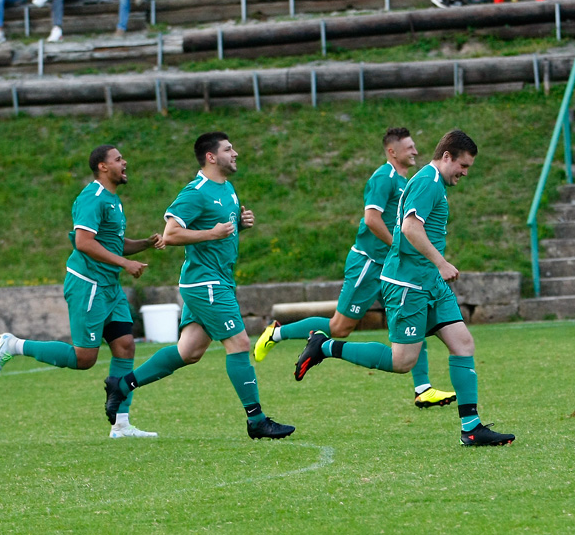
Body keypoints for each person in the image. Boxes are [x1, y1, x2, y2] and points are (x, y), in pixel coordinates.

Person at [294, 130, 515, 447]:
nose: (465, 173)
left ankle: (472, 427)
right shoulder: (427, 181)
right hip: (408, 285)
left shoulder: (433, 182)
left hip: (430, 283)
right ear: (447, 157)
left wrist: (435, 270)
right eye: (463, 166)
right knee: (402, 362)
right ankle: (324, 348)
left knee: (463, 343)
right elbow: (411, 227)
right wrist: (441, 262)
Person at [103, 132, 296, 441]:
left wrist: (239, 226)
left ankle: (123, 384)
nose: (235, 153)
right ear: (211, 157)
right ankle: (256, 420)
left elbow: (219, 232)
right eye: (228, 149)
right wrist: (213, 233)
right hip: (206, 283)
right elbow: (172, 234)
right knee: (240, 344)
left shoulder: (227, 189)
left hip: (214, 280)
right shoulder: (196, 192)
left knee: (189, 351)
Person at [255, 128, 456, 409]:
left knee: (414, 318)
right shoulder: (383, 177)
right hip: (368, 263)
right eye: (409, 147)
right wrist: (398, 246)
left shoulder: (405, 180)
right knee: (340, 327)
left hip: (393, 267)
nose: (415, 152)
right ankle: (276, 332)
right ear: (392, 151)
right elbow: (372, 219)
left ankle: (422, 388)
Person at [0, 145, 165, 439]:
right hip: (88, 285)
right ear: (102, 167)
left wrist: (145, 243)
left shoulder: (113, 200)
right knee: (85, 358)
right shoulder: (92, 198)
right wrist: (125, 263)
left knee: (125, 346)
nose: (125, 163)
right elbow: (84, 242)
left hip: (109, 286)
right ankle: (13, 345)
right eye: (118, 159)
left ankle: (121, 425)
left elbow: (111, 244)